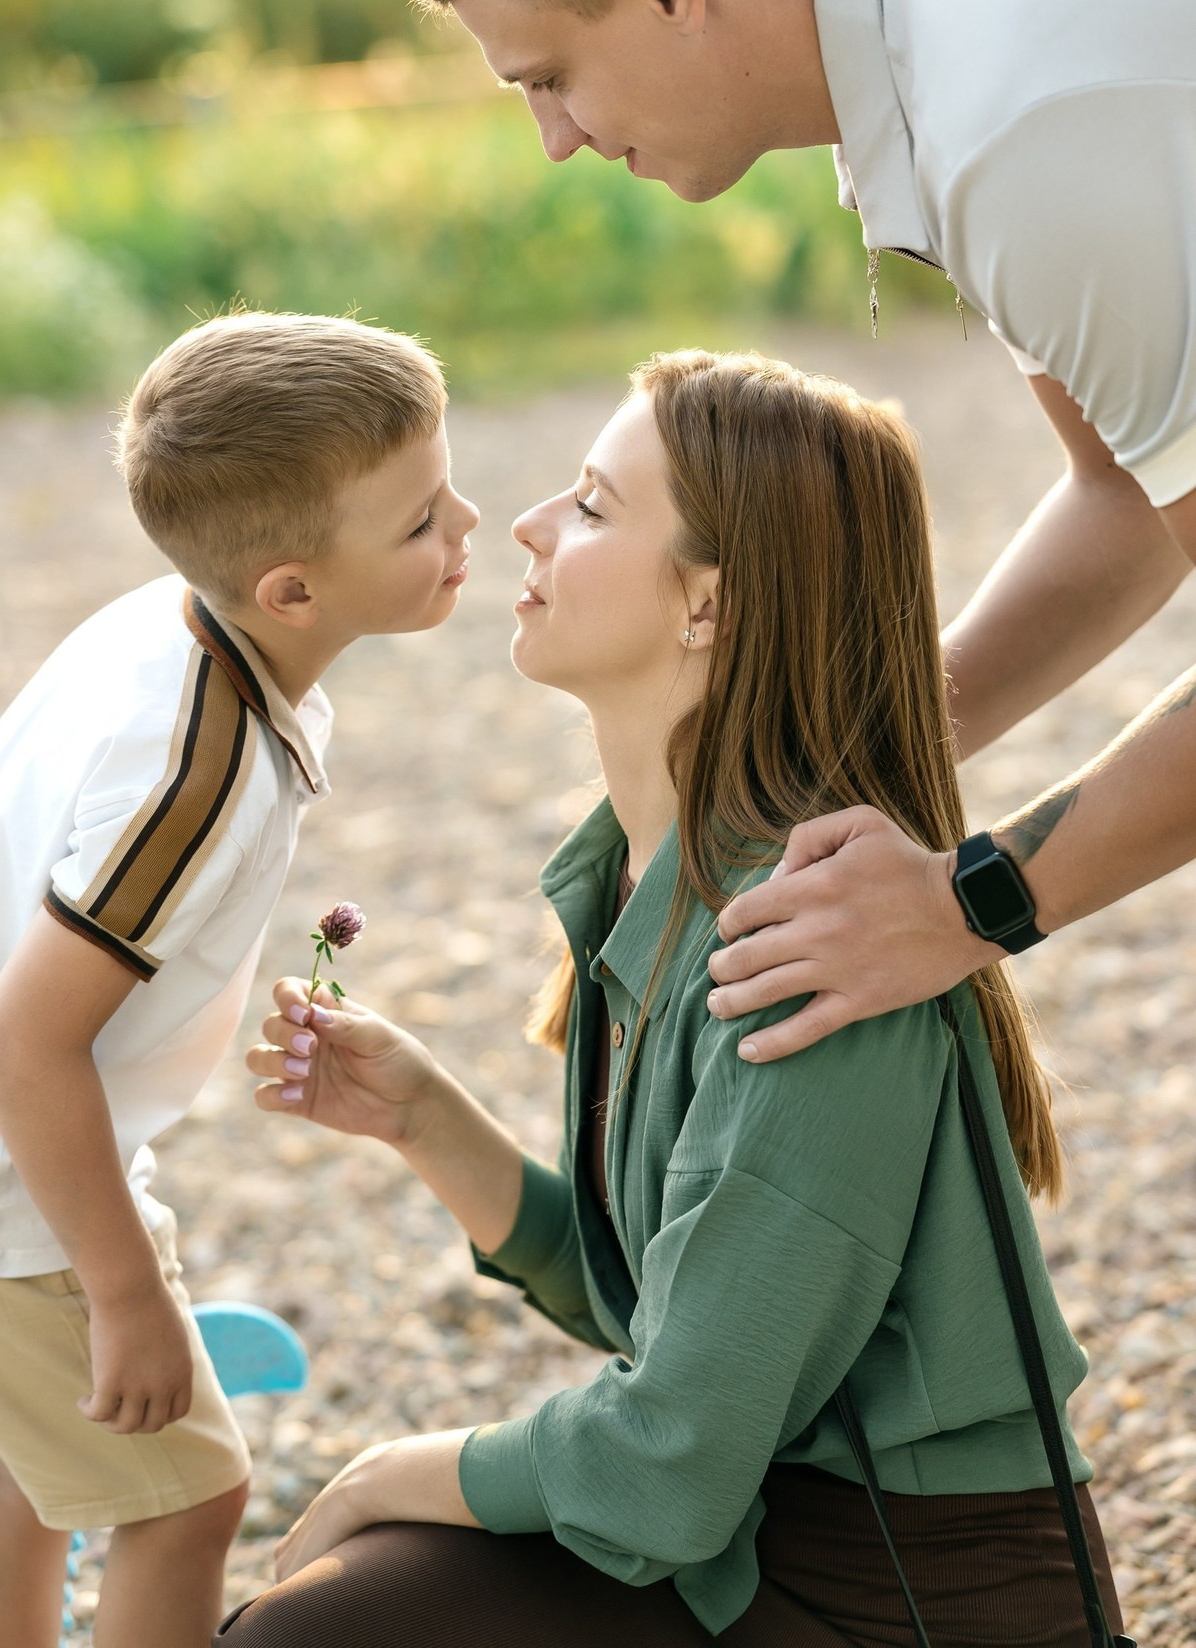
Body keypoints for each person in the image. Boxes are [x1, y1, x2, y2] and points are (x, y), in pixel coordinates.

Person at [223, 351, 1124, 1647]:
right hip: (758, 1538)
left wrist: (383, 1475)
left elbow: (668, 1459)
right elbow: (673, 1312)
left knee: (325, 1627)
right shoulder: (650, 878)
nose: (526, 523)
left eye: (590, 505)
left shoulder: (799, 947)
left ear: (706, 604)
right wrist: (428, 1121)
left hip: (907, 1602)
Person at [411, 0, 1196, 1063]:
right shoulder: (954, 1)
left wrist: (973, 901)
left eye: (548, 76)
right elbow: (1132, 501)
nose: (556, 139)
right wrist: (830, 764)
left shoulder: (1009, 123)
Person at [0, 311, 477, 1648]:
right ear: (292, 590)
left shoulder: (173, 622)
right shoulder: (199, 765)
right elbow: (24, 1046)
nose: (467, 525)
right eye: (418, 525)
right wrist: (123, 1296)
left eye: (445, 489)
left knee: (33, 1450)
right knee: (186, 1501)